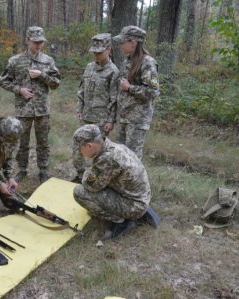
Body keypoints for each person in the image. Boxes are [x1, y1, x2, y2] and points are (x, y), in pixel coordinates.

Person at [72, 124, 160, 239]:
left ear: (89, 145)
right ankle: (138, 211)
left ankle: (122, 221)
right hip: (140, 197)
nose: (80, 152)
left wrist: (88, 172)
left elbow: (89, 185)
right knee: (100, 184)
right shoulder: (116, 147)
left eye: (79, 149)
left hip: (134, 205)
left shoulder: (107, 159)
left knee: (79, 192)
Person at [0, 26, 61, 183]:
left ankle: (43, 170)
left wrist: (42, 75)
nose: (38, 45)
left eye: (41, 42)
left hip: (42, 110)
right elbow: (3, 80)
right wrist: (19, 90)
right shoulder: (15, 61)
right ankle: (22, 169)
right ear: (27, 40)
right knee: (22, 142)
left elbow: (56, 83)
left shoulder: (48, 61)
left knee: (43, 143)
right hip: (23, 109)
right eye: (35, 42)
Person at [72, 33, 120, 183]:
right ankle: (80, 176)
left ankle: (96, 180)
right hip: (86, 116)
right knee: (78, 147)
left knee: (99, 154)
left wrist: (111, 120)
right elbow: (82, 91)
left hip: (101, 120)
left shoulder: (114, 71)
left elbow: (114, 98)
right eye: (94, 52)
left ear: (109, 50)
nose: (96, 55)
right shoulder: (89, 67)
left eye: (99, 52)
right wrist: (79, 109)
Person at [112, 26, 160, 159]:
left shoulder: (148, 63)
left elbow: (153, 92)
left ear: (133, 43)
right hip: (124, 118)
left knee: (132, 159)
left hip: (137, 120)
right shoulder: (127, 61)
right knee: (120, 156)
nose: (120, 45)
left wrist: (129, 88)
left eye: (123, 42)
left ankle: (133, 181)